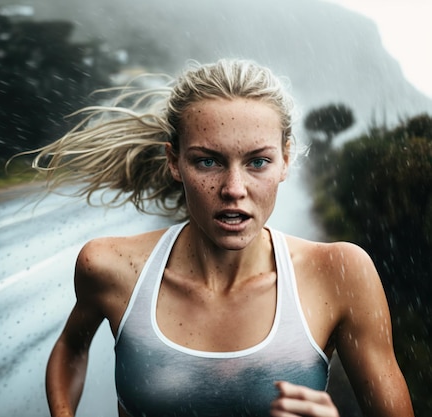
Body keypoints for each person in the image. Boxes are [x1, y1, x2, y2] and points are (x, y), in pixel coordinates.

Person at [28, 59, 413, 416]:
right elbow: (70, 348)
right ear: (174, 162)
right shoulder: (111, 267)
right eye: (207, 161)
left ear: (286, 160)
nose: (233, 188)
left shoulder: (341, 273)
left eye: (258, 161)